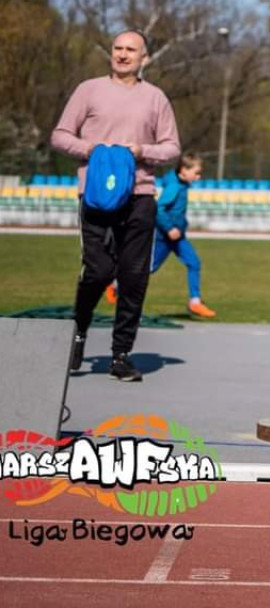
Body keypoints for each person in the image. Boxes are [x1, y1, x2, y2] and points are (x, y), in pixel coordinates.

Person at [50, 29, 180, 382]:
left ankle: (121, 354)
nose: (122, 55)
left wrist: (142, 151)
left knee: (133, 277)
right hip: (95, 195)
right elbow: (60, 135)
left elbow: (171, 148)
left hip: (139, 195)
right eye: (117, 48)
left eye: (130, 50)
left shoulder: (155, 98)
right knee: (99, 270)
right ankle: (77, 332)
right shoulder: (88, 89)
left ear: (144, 58)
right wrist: (91, 149)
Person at [151, 152, 216, 319]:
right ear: (184, 170)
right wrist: (169, 228)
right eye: (196, 173)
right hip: (165, 236)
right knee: (149, 268)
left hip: (178, 237)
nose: (198, 176)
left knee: (194, 263)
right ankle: (115, 285)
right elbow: (158, 209)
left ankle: (195, 302)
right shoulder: (173, 187)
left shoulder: (182, 182)